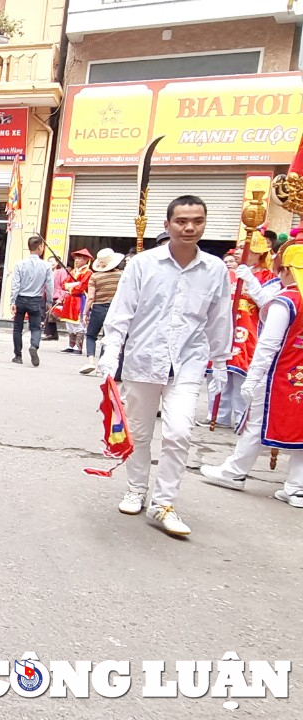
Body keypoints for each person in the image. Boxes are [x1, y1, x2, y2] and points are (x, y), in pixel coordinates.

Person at [97, 195, 233, 537]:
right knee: (140, 432)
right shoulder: (143, 264)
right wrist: (111, 354)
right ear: (167, 225)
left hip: (188, 362)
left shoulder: (215, 269)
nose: (189, 227)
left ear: (204, 223)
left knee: (178, 432)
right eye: (182, 221)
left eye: (197, 221)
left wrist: (220, 362)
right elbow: (122, 313)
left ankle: (164, 502)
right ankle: (136, 488)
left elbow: (220, 319)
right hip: (144, 359)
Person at [200, 237, 302, 504]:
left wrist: (254, 378)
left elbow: (268, 345)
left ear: (288, 269)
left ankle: (234, 472)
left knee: (256, 424)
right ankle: (296, 486)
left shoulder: (287, 301)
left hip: (279, 375)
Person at [211, 231, 281, 428]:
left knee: (241, 377)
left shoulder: (269, 277)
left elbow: (265, 303)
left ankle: (242, 417)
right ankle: (217, 416)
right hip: (226, 327)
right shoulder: (228, 273)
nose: (238, 251)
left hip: (249, 330)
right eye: (239, 247)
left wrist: (250, 280)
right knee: (219, 371)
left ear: (257, 251)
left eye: (243, 247)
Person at [79, 248, 125, 374]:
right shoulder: (121, 275)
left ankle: (90, 361)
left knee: (90, 335)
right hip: (115, 309)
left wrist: (85, 313)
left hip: (98, 308)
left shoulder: (95, 276)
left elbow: (90, 297)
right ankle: (102, 367)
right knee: (108, 337)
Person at [10, 235, 54, 366]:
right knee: (35, 327)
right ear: (40, 247)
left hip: (21, 299)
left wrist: (12, 301)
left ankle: (18, 356)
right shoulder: (46, 266)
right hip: (36, 300)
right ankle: (34, 346)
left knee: (17, 328)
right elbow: (49, 286)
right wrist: (49, 302)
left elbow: (15, 284)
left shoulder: (19, 264)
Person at [56, 249, 94, 355]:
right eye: (76, 258)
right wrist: (72, 285)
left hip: (79, 300)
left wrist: (71, 286)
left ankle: (78, 347)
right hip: (70, 299)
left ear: (86, 260)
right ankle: (70, 345)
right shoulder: (73, 271)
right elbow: (64, 284)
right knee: (70, 324)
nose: (77, 260)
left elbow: (81, 287)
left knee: (79, 323)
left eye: (79, 258)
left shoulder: (88, 272)